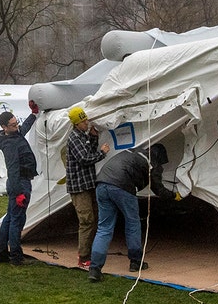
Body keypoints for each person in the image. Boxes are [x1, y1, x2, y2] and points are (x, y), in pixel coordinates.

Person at [87, 143, 176, 282]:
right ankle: (136, 262)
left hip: (101, 184)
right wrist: (174, 196)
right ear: (160, 157)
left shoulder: (134, 151)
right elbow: (158, 188)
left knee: (104, 228)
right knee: (132, 223)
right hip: (122, 186)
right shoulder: (153, 163)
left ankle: (94, 269)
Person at [0, 102, 39, 265]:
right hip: (19, 183)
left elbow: (23, 129)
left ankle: (1, 253)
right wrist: (19, 191)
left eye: (16, 123)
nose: (17, 126)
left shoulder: (13, 135)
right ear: (4, 127)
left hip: (17, 183)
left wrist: (33, 115)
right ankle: (16, 256)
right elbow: (13, 169)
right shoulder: (11, 144)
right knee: (16, 221)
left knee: (9, 219)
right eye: (13, 125)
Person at [64, 106, 109, 269]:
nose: (86, 123)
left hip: (88, 183)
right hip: (79, 187)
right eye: (83, 121)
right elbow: (84, 158)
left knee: (94, 218)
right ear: (77, 123)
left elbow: (87, 150)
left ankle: (91, 252)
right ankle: (83, 257)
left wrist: (93, 138)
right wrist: (102, 153)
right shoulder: (74, 138)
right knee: (86, 221)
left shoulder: (82, 136)